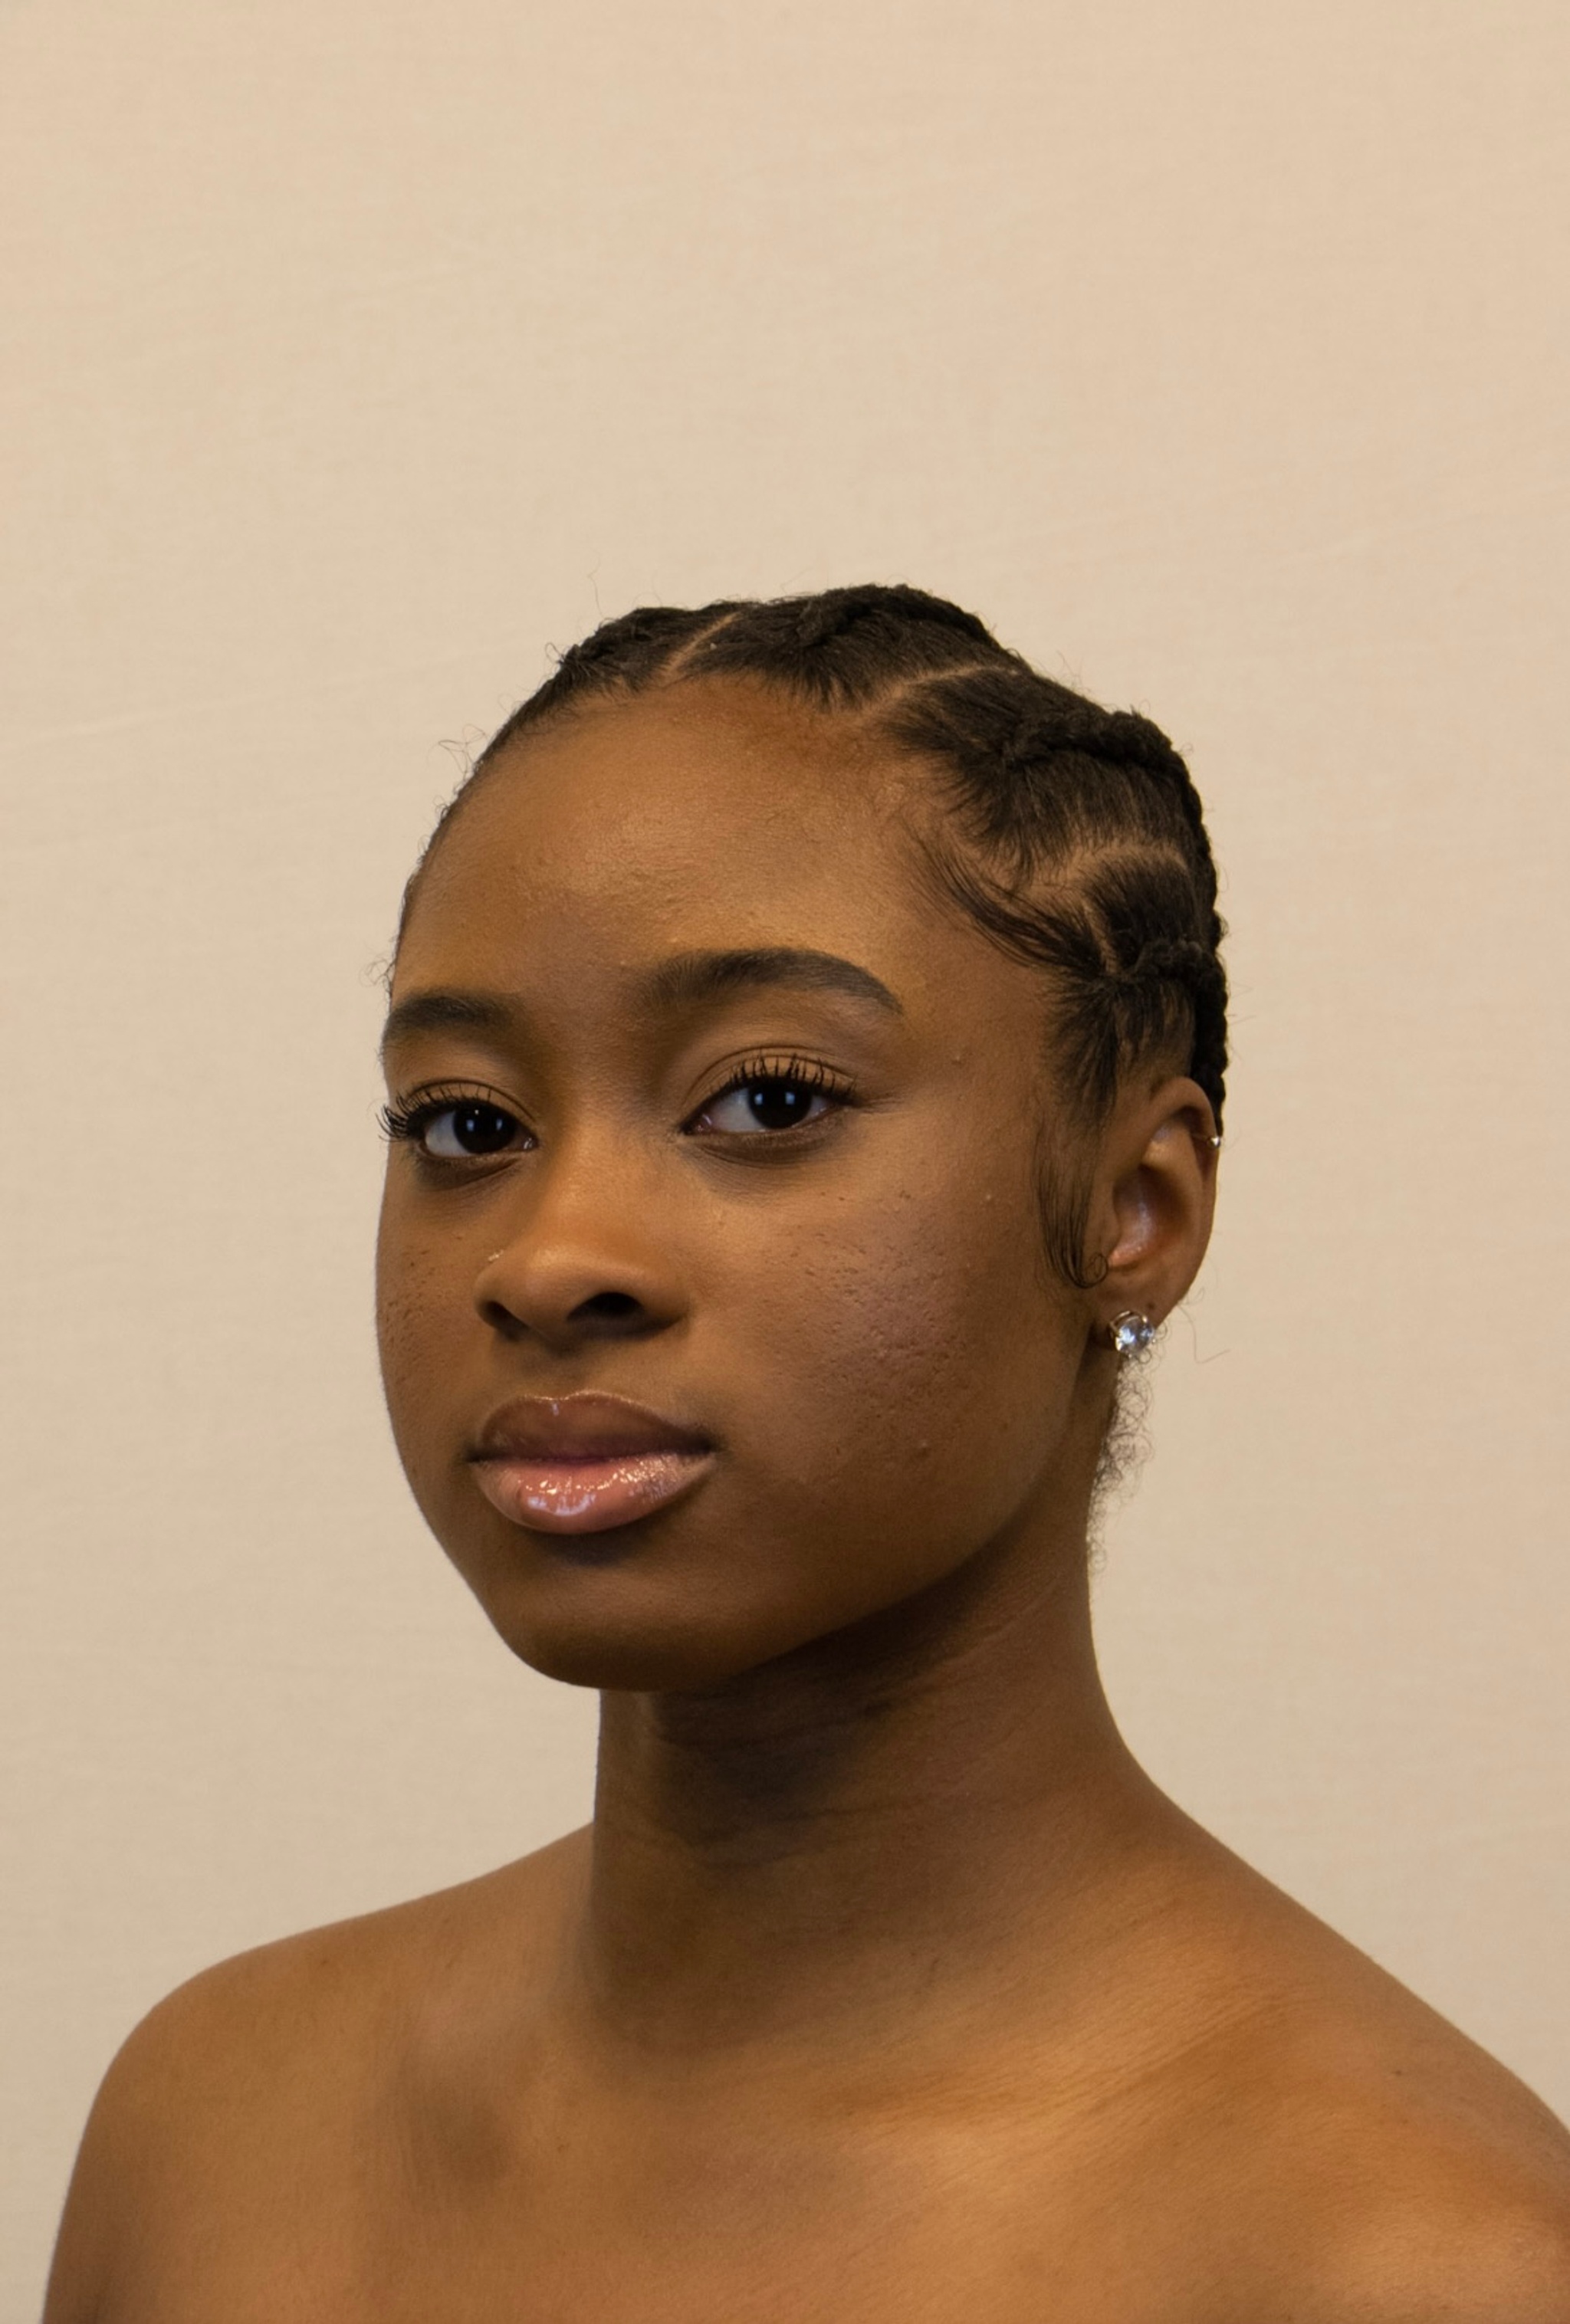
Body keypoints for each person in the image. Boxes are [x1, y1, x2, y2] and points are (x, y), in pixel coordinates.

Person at [44, 586, 1570, 2321]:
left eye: (767, 1099)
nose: (548, 1258)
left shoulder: (1419, 2264)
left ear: (1134, 1207)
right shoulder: (217, 2131)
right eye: (466, 1122)